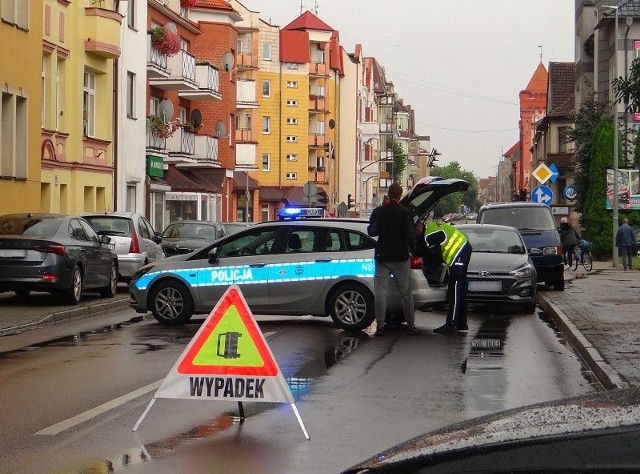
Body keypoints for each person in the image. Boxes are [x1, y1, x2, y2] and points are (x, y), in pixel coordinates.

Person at [367, 182, 417, 337]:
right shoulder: (405, 213)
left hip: (382, 257)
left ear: (388, 195)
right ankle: (410, 325)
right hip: (401, 257)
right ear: (399, 196)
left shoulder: (379, 211)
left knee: (380, 292)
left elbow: (372, 231)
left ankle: (380, 326)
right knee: (406, 293)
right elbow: (411, 235)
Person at [421, 220, 472, 335]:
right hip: (464, 248)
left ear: (417, 229)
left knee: (454, 288)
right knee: (460, 289)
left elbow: (436, 256)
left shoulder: (429, 236)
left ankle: (451, 324)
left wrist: (430, 268)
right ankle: (462, 323)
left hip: (459, 253)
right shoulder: (431, 227)